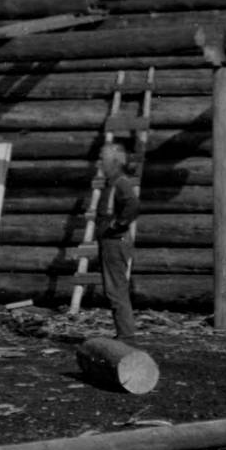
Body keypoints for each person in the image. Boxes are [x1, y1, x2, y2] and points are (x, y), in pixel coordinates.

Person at [96, 141, 141, 340]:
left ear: (114, 162)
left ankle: (126, 336)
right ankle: (124, 333)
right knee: (113, 288)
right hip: (109, 242)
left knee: (116, 289)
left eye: (103, 160)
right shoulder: (112, 183)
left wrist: (117, 226)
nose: (100, 164)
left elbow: (132, 205)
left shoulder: (121, 182)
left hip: (115, 241)